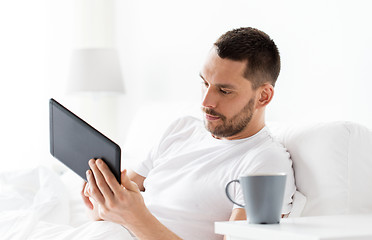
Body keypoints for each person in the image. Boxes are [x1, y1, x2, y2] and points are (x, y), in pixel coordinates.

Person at [81, 27, 296, 240]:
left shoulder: (267, 165)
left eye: (224, 91)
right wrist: (102, 207)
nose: (205, 102)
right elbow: (124, 194)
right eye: (204, 83)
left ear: (263, 96)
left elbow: (133, 215)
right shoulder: (183, 128)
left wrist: (134, 217)